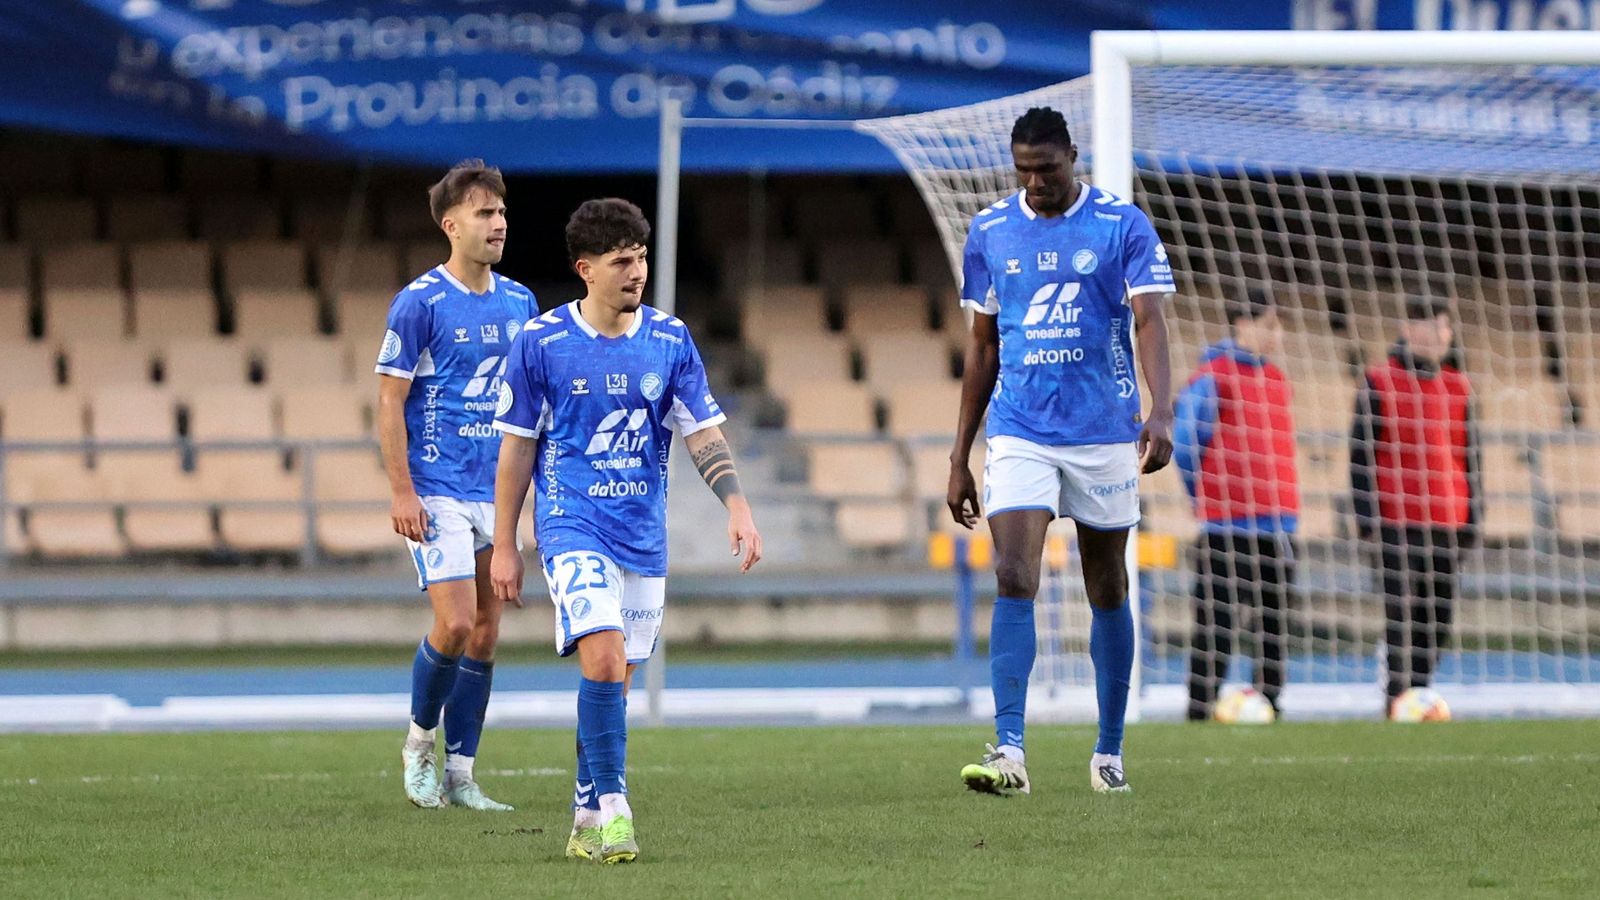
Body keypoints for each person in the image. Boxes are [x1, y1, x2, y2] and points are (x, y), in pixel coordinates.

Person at [490, 198, 762, 864]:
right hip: (571, 525)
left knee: (615, 681)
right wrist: (504, 543)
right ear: (587, 269)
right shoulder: (542, 343)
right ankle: (615, 811)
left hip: (642, 535)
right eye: (621, 261)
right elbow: (518, 446)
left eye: (640, 257)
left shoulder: (670, 340)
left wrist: (737, 503)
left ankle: (586, 812)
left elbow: (699, 431)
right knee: (604, 660)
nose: (635, 271)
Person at [947, 107, 1176, 795]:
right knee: (1014, 574)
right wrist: (959, 454)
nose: (1035, 183)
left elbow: (1150, 321)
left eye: (1046, 170)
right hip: (1020, 431)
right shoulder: (989, 230)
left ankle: (1108, 752)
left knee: (1107, 585)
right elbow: (983, 346)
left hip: (1105, 432)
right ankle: (1008, 750)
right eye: (1023, 171)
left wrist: (1159, 409)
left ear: (1072, 157)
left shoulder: (1120, 225)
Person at [377, 159, 536, 811]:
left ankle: (461, 774)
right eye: (483, 213)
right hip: (436, 487)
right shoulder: (420, 302)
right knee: (457, 621)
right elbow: (389, 402)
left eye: (500, 212)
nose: (497, 223)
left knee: (488, 632)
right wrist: (401, 491)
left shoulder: (522, 302)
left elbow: (528, 410)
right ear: (452, 224)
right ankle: (419, 744)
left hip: (492, 491)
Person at [1350, 294, 1480, 717]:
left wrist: (1474, 515)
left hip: (1448, 519)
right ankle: (1396, 698)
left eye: (1446, 327)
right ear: (1409, 330)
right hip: (1395, 519)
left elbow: (1470, 456)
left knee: (1437, 617)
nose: (1442, 335)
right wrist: (1366, 515)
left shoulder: (1458, 385)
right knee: (1400, 614)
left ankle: (1421, 695)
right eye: (1433, 326)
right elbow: (1361, 454)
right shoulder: (1378, 381)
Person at [1173, 289, 1297, 720]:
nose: (1276, 334)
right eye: (1269, 324)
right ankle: (1200, 706)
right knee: (1216, 622)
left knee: (1273, 623)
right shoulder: (1213, 376)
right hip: (1226, 526)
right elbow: (1186, 443)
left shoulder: (1278, 380)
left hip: (1277, 526)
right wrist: (1203, 497)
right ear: (1243, 324)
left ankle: (1269, 702)